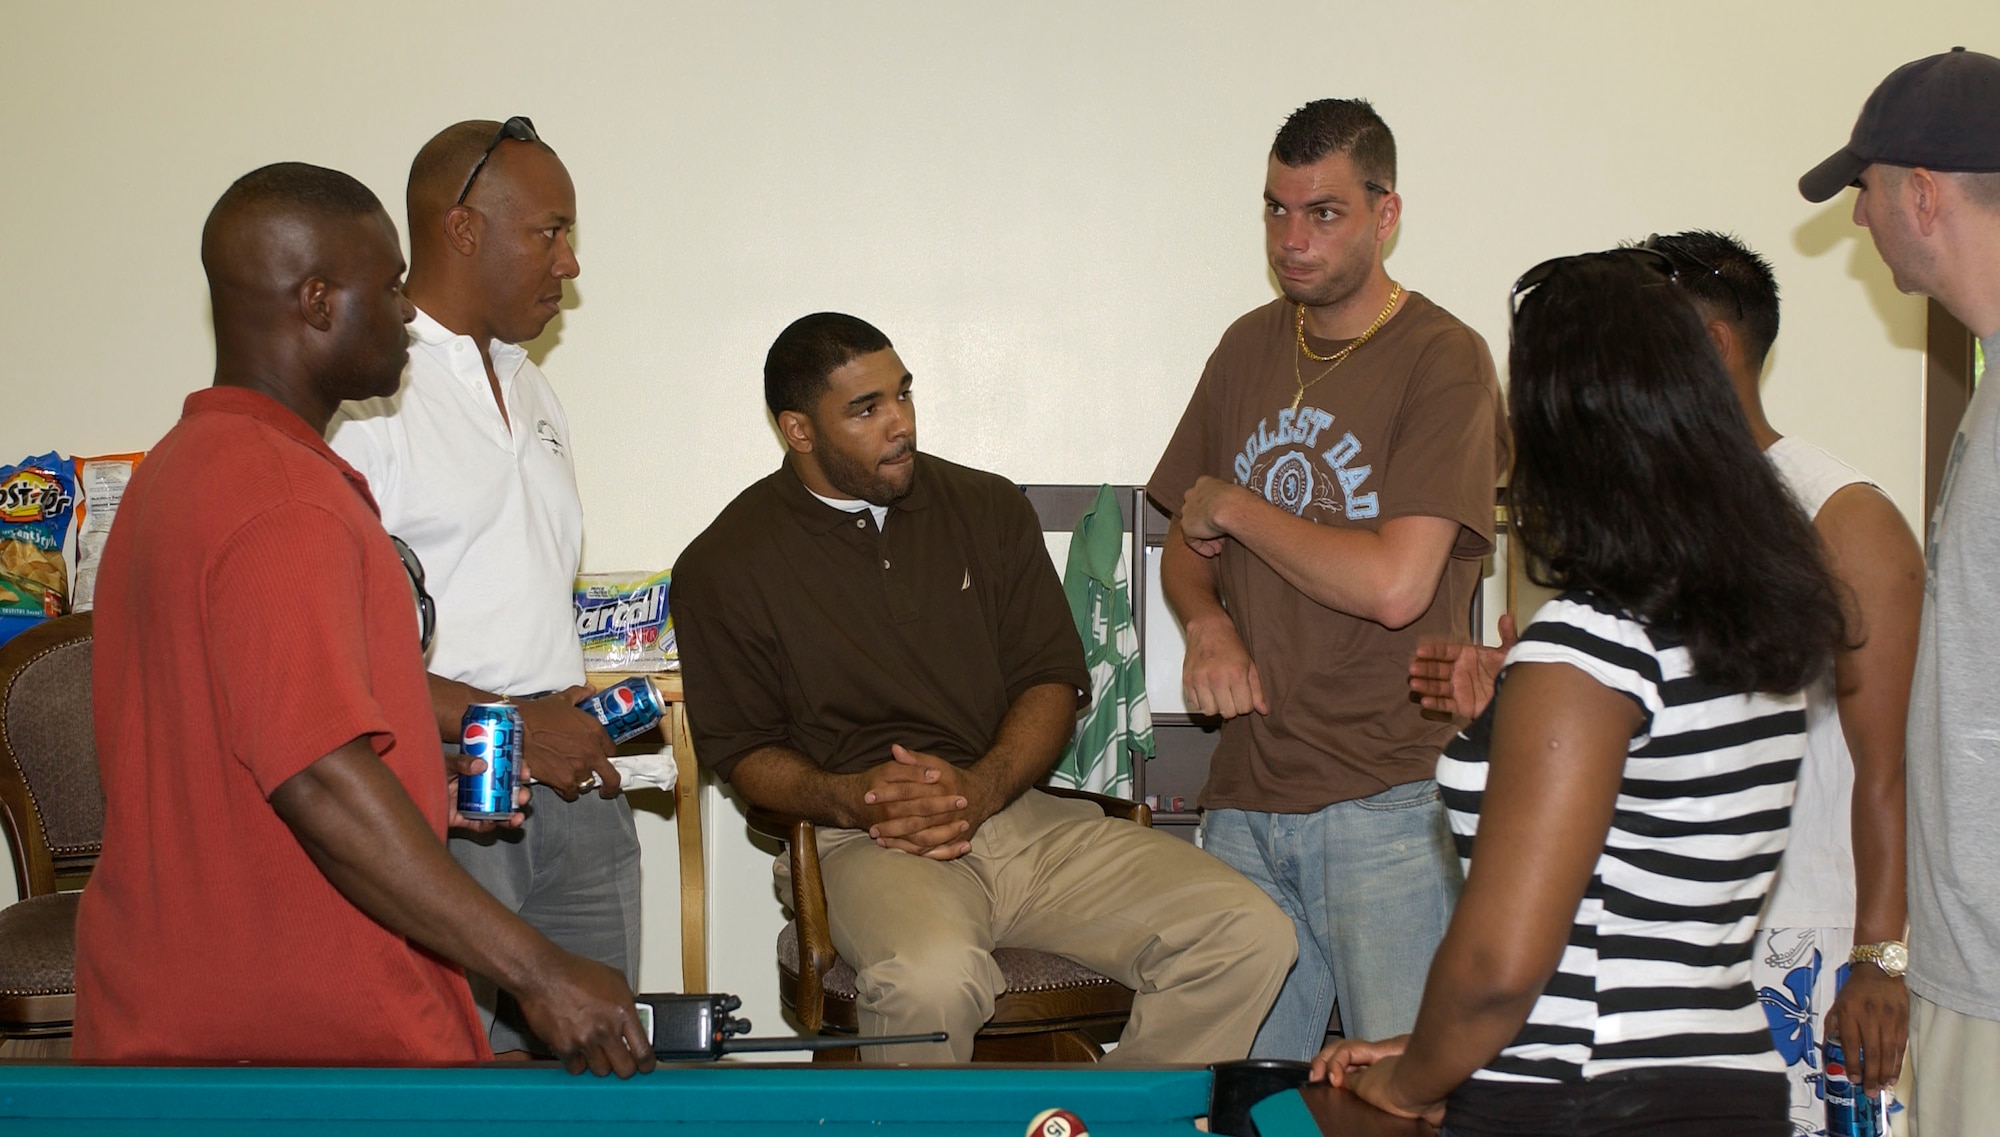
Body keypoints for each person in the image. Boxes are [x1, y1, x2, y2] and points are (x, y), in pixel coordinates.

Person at [72, 162, 653, 1075]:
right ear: (316, 302)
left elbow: (242, 736)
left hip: (175, 1019)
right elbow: (319, 775)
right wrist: (538, 970)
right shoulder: (286, 503)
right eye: (388, 288)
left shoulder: (175, 472)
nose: (406, 316)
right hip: (307, 1033)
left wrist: (434, 774)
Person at [1314, 248, 1847, 1133]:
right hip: (1723, 1088)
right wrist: (1434, 1048)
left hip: (1585, 1102)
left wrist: (1411, 1084)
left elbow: (1500, 965)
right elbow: (1639, 918)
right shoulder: (1748, 630)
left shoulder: (1592, 647)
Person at [670, 312, 1294, 1065]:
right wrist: (855, 797)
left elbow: (1050, 681)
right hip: (869, 841)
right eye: (866, 409)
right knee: (932, 982)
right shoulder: (725, 562)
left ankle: (1098, 1123)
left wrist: (985, 784)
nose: (899, 422)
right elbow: (743, 753)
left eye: (902, 394)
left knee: (1247, 930)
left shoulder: (986, 507)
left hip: (1019, 814)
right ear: (798, 430)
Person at [1413, 230, 1924, 1122]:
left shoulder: (1612, 631)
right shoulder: (1741, 608)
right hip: (1709, 1061)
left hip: (1603, 1082)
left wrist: (1407, 1077)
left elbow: (1501, 967)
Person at [1146, 97, 1507, 1057]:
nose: (1291, 240)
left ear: (1386, 215)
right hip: (1246, 793)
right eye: (1275, 209)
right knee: (1232, 1103)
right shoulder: (1245, 346)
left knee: (1401, 1097)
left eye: (1323, 213)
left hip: (1389, 798)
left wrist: (1237, 507)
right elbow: (1185, 535)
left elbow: (1397, 584)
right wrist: (1206, 623)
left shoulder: (1445, 359)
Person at [328, 118, 640, 1058]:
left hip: (575, 790)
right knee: (469, 1079)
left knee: (609, 1065)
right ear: (463, 230)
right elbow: (339, 661)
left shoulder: (535, 387)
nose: (570, 262)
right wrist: (510, 724)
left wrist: (577, 709)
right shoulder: (366, 395)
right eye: (549, 231)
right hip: (448, 795)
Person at [1800, 45, 2000, 1134]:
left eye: (1862, 191)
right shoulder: (1985, 381)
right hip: (1967, 961)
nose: (1856, 220)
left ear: (1920, 191)